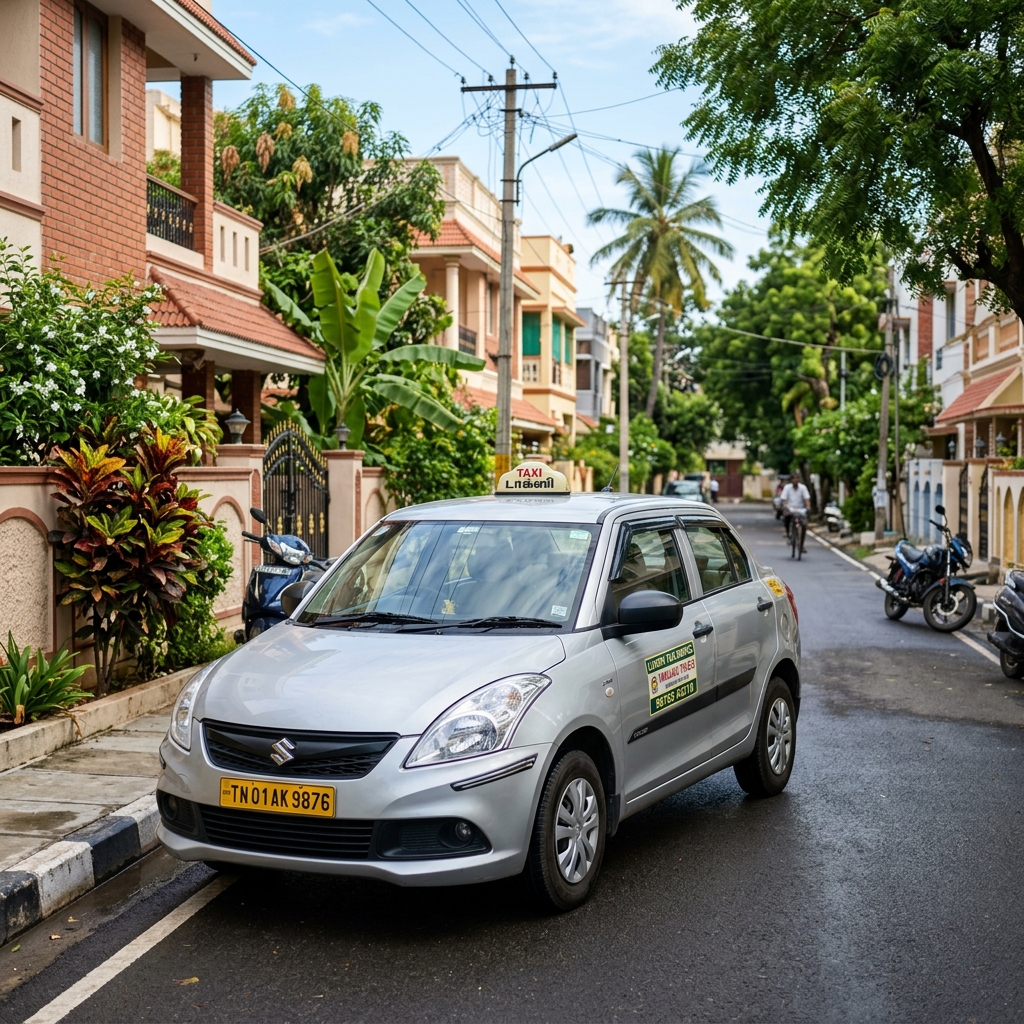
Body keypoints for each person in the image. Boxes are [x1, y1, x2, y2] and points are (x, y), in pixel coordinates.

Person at [781, 469, 811, 551]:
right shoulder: (787, 488)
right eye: (794, 478)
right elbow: (784, 500)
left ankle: (801, 545)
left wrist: (808, 507)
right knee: (786, 518)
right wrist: (785, 507)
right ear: (791, 480)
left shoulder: (803, 488)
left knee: (804, 524)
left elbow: (807, 499)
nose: (795, 480)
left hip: (800, 510)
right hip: (790, 509)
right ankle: (788, 535)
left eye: (797, 478)